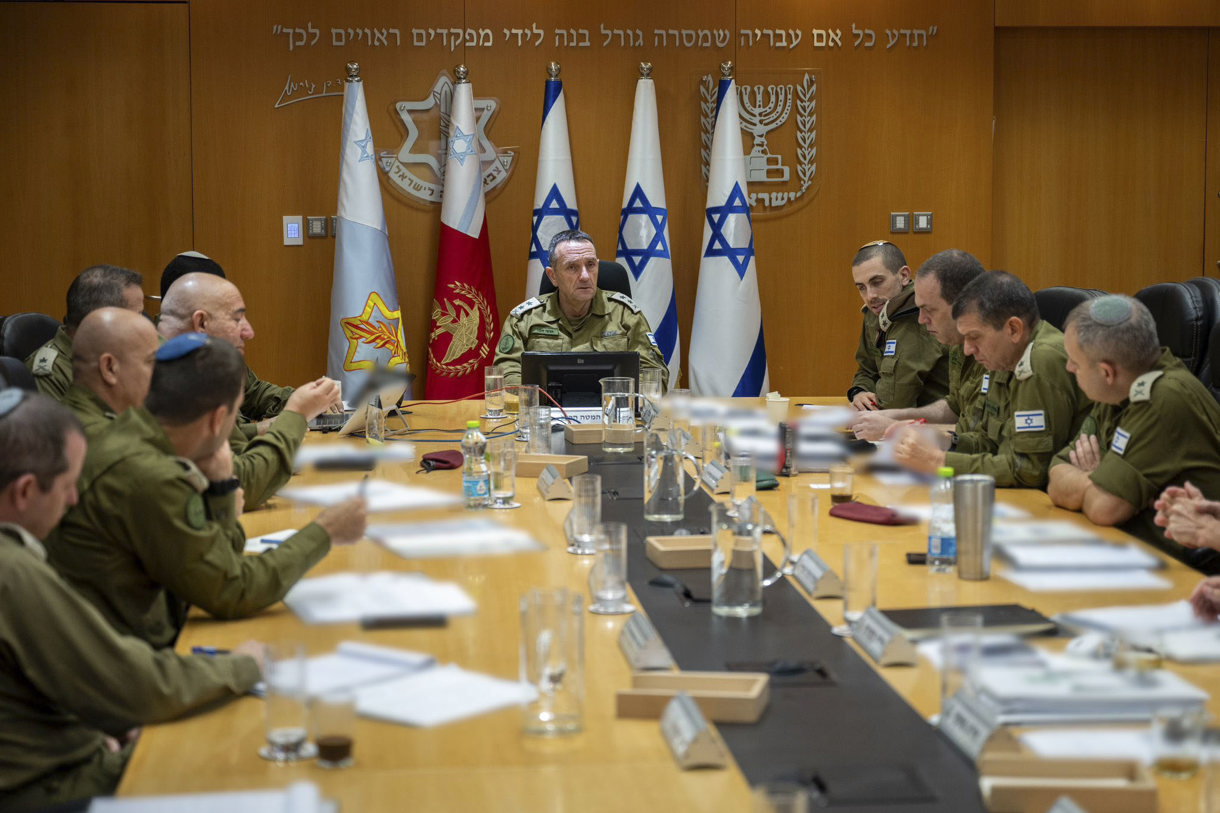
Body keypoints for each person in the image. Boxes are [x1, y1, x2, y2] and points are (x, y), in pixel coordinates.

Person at [0, 389, 263, 811]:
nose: (72, 501)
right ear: (26, 491)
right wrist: (245, 665)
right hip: (51, 791)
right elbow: (137, 684)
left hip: (62, 752)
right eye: (68, 487)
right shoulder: (12, 572)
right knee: (243, 759)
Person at [44, 334, 367, 650]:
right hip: (120, 655)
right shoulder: (152, 475)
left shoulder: (133, 431)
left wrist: (222, 491)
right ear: (216, 420)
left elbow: (217, 559)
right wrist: (326, 532)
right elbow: (233, 590)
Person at [1048, 296, 1220, 571]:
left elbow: (1103, 508)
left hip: (1187, 570)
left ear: (1106, 372)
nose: (1069, 368)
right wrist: (1098, 479)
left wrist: (1099, 486)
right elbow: (1056, 473)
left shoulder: (1163, 399)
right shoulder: (1116, 391)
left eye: (1075, 363)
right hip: (1132, 553)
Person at [159, 271, 339, 508]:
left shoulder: (196, 364)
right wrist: (296, 414)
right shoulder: (167, 378)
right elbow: (242, 485)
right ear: (201, 323)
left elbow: (239, 457)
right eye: (237, 319)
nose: (249, 332)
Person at [894, 270, 1089, 488]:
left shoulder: (1040, 362)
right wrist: (940, 439)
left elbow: (1028, 470)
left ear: (1013, 329)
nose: (967, 350)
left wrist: (937, 461)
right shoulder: (1004, 356)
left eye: (974, 337)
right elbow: (988, 442)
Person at [493, 229, 668, 388]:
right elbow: (504, 374)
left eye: (590, 265)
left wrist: (615, 396)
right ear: (552, 276)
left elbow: (656, 376)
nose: (585, 276)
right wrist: (542, 397)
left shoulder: (625, 315)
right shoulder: (524, 319)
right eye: (572, 267)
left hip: (610, 416)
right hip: (546, 415)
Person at [851, 249, 986, 441]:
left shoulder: (1010, 356)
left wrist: (899, 428)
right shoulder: (959, 342)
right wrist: (896, 417)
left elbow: (986, 443)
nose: (922, 319)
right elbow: (955, 407)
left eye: (929, 310)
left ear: (963, 305)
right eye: (861, 287)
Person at [847, 241, 951, 412]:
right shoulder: (877, 313)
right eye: (861, 288)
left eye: (877, 282)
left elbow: (895, 403)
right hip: (900, 423)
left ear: (904, 276)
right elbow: (866, 369)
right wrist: (860, 393)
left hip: (932, 426)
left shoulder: (917, 315)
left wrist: (868, 407)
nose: (870, 296)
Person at [25, 264, 145, 400]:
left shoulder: (118, 353)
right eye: (137, 315)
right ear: (100, 319)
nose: (143, 324)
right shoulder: (50, 373)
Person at [61, 307, 159, 437]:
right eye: (150, 361)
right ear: (109, 368)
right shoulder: (100, 437)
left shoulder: (115, 414)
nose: (158, 372)